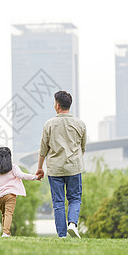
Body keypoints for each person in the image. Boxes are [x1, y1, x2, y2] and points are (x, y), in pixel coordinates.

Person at [36, 91, 87, 238]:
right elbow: (82, 148)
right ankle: (72, 224)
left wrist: (40, 168)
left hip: (55, 169)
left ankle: (62, 235)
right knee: (75, 199)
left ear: (57, 105)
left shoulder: (49, 124)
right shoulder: (80, 124)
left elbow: (43, 149)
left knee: (58, 202)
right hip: (74, 167)